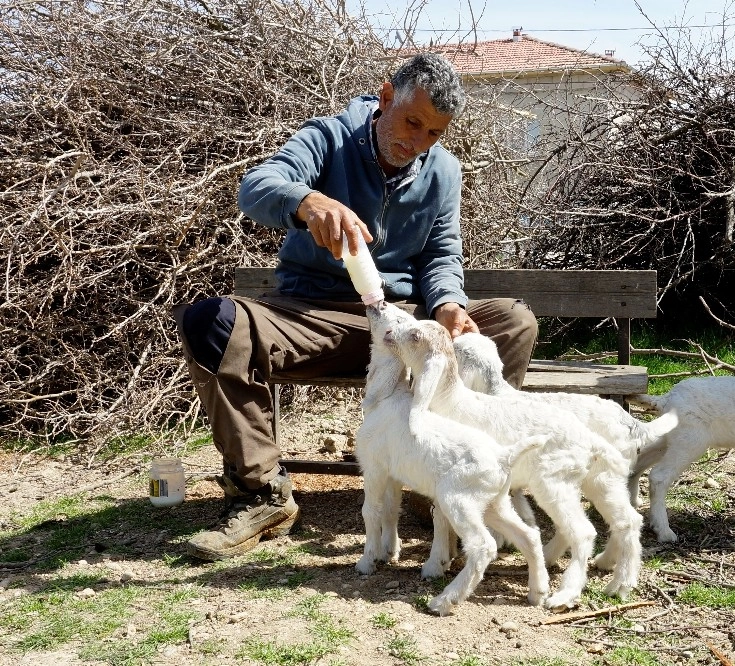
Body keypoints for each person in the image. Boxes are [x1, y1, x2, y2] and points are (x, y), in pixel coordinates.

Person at [173, 53, 538, 561]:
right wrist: (307, 203)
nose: (417, 142)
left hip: (401, 323)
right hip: (310, 317)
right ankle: (261, 495)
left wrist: (450, 305)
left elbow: (442, 255)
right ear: (387, 97)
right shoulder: (327, 139)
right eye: (412, 122)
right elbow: (256, 188)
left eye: (433, 134)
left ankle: (441, 476)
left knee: (512, 321)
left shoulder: (444, 172)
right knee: (212, 322)